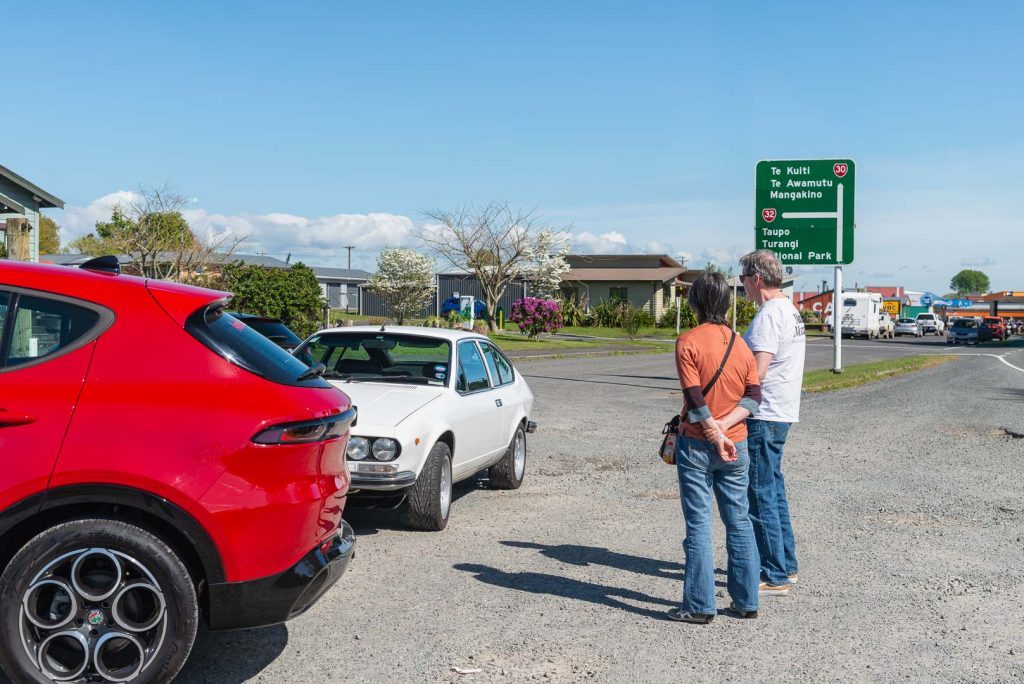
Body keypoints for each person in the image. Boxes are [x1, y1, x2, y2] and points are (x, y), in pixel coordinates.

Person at [668, 271, 762, 624]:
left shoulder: (688, 341)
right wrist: (726, 429)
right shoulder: (741, 344)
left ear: (694, 303)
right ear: (726, 302)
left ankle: (699, 606)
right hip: (737, 445)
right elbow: (754, 397)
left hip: (697, 444)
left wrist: (713, 431)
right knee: (739, 520)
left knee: (698, 524)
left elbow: (694, 399)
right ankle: (746, 600)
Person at [738, 250, 806, 597]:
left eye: (742, 280)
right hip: (782, 412)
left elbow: (758, 371)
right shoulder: (790, 310)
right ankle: (787, 564)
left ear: (756, 278)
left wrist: (733, 403)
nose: (742, 288)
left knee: (760, 493)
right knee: (774, 491)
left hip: (763, 415)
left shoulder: (768, 315)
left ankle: (773, 572)